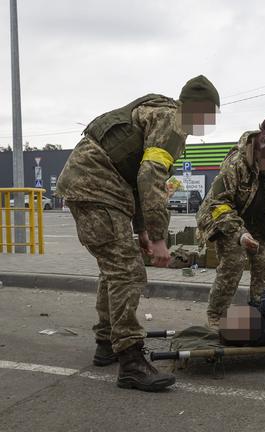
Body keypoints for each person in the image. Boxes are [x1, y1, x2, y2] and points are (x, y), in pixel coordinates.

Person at [56, 75, 220, 391]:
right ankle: (131, 361)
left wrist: (142, 229)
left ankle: (107, 344)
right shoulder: (173, 121)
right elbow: (150, 177)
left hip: (95, 185)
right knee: (128, 272)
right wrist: (159, 238)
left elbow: (133, 174)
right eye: (207, 115)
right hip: (97, 187)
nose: (205, 123)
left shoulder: (159, 112)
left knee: (114, 270)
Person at [197, 118, 265, 329]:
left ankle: (264, 312)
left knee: (264, 265)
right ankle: (217, 315)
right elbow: (220, 204)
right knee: (234, 261)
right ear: (257, 156)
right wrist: (240, 234)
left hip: (261, 223)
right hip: (225, 218)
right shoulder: (235, 164)